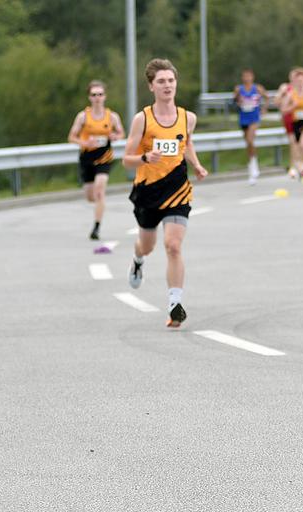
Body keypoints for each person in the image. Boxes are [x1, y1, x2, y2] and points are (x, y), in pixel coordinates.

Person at [122, 59, 208, 327]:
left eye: (171, 80)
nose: (167, 85)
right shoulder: (143, 119)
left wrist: (196, 164)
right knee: (148, 246)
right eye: (161, 81)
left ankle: (175, 303)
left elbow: (186, 143)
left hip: (178, 190)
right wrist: (145, 157)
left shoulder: (187, 117)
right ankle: (137, 259)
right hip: (148, 191)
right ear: (151, 86)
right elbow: (126, 159)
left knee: (173, 245)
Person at [67, 80, 125, 240]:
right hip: (87, 157)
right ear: (89, 97)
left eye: (100, 94)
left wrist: (115, 136)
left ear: (105, 96)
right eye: (94, 95)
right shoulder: (83, 116)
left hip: (104, 157)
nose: (97, 97)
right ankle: (98, 204)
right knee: (90, 196)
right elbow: (71, 137)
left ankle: (96, 228)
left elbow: (121, 133)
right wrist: (83, 142)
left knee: (100, 190)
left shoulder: (112, 117)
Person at [233, 69, 268, 185]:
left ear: (252, 77)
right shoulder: (239, 89)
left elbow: (267, 97)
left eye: (249, 76)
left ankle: (253, 168)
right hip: (243, 117)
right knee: (248, 143)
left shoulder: (257, 88)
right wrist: (238, 100)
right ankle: (253, 163)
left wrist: (264, 109)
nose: (247, 78)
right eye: (245, 76)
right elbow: (234, 101)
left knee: (250, 139)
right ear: (242, 78)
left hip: (254, 117)